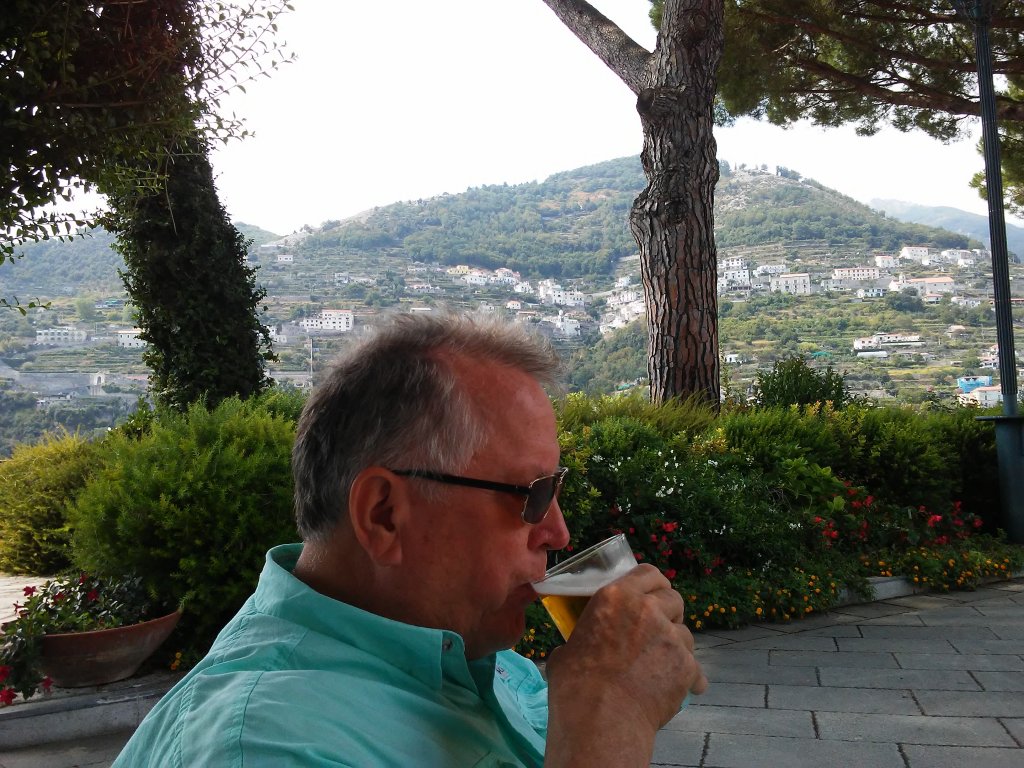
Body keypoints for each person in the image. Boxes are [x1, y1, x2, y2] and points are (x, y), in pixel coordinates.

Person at [114, 312, 706, 767]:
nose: (557, 531)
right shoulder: (263, 744)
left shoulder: (465, 651)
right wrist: (612, 713)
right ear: (385, 515)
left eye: (557, 489)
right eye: (531, 495)